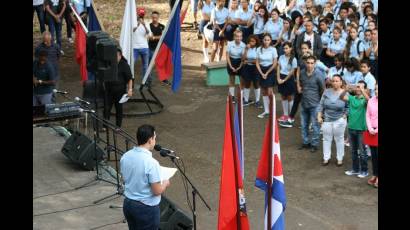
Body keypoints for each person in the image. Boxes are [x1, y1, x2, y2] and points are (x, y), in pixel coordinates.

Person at [120, 124, 171, 230]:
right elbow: (157, 191)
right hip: (145, 208)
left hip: (129, 204)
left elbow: (124, 179)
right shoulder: (151, 163)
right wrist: (165, 183)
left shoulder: (126, 156)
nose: (155, 141)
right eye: (155, 138)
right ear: (150, 140)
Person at [341, 80, 369, 178]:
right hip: (351, 128)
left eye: (361, 87)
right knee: (353, 151)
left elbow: (369, 100)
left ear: (365, 89)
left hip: (361, 129)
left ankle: (364, 171)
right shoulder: (352, 98)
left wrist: (363, 90)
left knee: (362, 151)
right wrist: (346, 89)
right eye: (357, 87)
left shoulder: (365, 100)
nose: (358, 89)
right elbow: (341, 97)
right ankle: (355, 169)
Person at [317, 74, 347, 166]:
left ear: (341, 82)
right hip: (327, 119)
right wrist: (319, 116)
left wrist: (345, 116)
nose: (335, 83)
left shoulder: (345, 93)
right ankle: (326, 158)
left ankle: (339, 158)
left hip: (339, 119)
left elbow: (349, 106)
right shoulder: (326, 92)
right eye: (333, 81)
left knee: (339, 139)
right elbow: (321, 105)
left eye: (337, 81)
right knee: (326, 139)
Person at [297, 54, 325, 152]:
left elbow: (323, 91)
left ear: (315, 64)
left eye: (312, 63)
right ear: (305, 63)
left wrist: (321, 107)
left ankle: (314, 144)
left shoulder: (319, 75)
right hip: (304, 103)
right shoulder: (302, 73)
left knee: (315, 125)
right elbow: (300, 83)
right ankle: (305, 142)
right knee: (304, 125)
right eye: (308, 63)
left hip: (315, 105)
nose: (309, 65)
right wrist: (299, 87)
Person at [104, 48, 133, 128]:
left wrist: (130, 89)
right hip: (109, 89)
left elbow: (129, 78)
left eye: (116, 56)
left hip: (120, 90)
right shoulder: (109, 63)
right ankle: (105, 125)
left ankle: (118, 126)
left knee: (119, 108)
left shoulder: (124, 65)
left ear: (120, 56)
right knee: (107, 107)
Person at [256, 33, 278, 118]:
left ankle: (272, 109)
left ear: (270, 40)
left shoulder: (273, 49)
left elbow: (275, 62)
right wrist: (261, 73)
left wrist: (267, 73)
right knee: (264, 91)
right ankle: (266, 111)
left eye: (268, 40)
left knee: (269, 91)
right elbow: (257, 62)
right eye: (265, 40)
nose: (266, 41)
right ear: (263, 40)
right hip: (261, 70)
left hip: (270, 70)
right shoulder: (258, 49)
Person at [276, 41, 297, 122]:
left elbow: (292, 71)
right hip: (281, 77)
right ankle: (285, 115)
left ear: (290, 48)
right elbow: (278, 68)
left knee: (289, 97)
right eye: (284, 48)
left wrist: (284, 80)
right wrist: (278, 78)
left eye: (287, 48)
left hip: (289, 78)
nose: (285, 50)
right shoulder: (281, 57)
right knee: (283, 96)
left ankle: (291, 116)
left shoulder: (293, 59)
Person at [148, 11, 170, 86]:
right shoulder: (149, 26)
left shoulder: (162, 26)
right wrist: (158, 37)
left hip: (161, 49)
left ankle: (164, 79)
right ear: (151, 17)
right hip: (151, 48)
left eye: (156, 17)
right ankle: (148, 80)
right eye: (153, 17)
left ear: (158, 18)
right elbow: (150, 38)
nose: (154, 19)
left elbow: (164, 37)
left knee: (162, 64)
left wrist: (155, 37)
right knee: (150, 65)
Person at [133, 8, 152, 85]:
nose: (141, 17)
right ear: (137, 15)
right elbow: (131, 31)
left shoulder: (146, 23)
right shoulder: (133, 22)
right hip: (135, 48)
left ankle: (146, 82)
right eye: (140, 15)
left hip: (144, 47)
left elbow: (149, 34)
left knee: (145, 66)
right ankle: (131, 81)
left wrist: (144, 25)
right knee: (132, 65)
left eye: (142, 15)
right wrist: (137, 24)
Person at [242, 35, 261, 107]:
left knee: (256, 84)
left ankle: (257, 101)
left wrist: (247, 61)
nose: (251, 42)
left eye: (253, 41)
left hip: (256, 68)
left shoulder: (258, 49)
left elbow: (258, 60)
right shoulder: (246, 48)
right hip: (247, 68)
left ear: (256, 42)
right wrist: (246, 50)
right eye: (250, 41)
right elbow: (243, 59)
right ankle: (246, 100)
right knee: (247, 83)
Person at [226, 30, 245, 101]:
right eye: (237, 36)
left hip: (240, 62)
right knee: (232, 80)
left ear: (242, 37)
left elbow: (243, 58)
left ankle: (242, 96)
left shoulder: (243, 45)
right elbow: (227, 56)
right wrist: (231, 66)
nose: (238, 38)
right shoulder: (229, 44)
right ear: (234, 37)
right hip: (231, 61)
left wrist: (239, 67)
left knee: (242, 80)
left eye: (240, 36)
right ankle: (232, 96)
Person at [365, 83, 378, 188]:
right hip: (371, 131)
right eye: (376, 89)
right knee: (374, 155)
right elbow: (368, 115)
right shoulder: (371, 100)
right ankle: (374, 174)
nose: (377, 91)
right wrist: (370, 128)